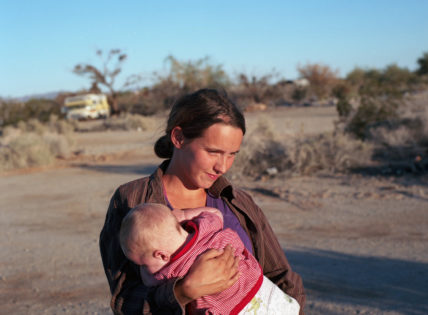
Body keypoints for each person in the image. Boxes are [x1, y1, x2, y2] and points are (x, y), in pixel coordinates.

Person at [99, 88, 306, 314]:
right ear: (178, 138)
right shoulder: (132, 200)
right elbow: (125, 301)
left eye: (232, 154)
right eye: (213, 152)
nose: (223, 166)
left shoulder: (237, 201)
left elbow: (280, 275)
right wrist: (183, 292)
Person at [119, 203, 300, 315]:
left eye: (142, 264)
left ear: (161, 255)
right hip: (264, 292)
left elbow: (149, 283)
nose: (143, 269)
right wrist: (182, 214)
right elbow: (215, 213)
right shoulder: (205, 227)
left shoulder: (170, 271)